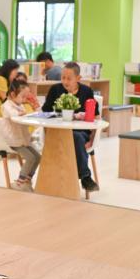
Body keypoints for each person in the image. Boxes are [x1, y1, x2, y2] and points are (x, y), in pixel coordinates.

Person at [41, 62, 98, 192]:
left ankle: (84, 177)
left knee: (76, 137)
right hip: (58, 132)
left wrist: (92, 139)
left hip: (81, 133)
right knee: (73, 137)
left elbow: (96, 117)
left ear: (78, 78)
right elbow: (45, 112)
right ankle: (86, 177)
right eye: (63, 78)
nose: (65, 82)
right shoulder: (55, 89)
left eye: (69, 78)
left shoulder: (86, 91)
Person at [0, 79, 40, 192]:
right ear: (13, 94)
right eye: (23, 96)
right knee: (31, 158)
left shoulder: (20, 105)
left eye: (26, 97)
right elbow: (14, 116)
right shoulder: (7, 105)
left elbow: (23, 116)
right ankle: (19, 182)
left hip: (22, 139)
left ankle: (27, 180)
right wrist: (22, 114)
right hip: (13, 141)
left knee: (38, 157)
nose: (24, 100)